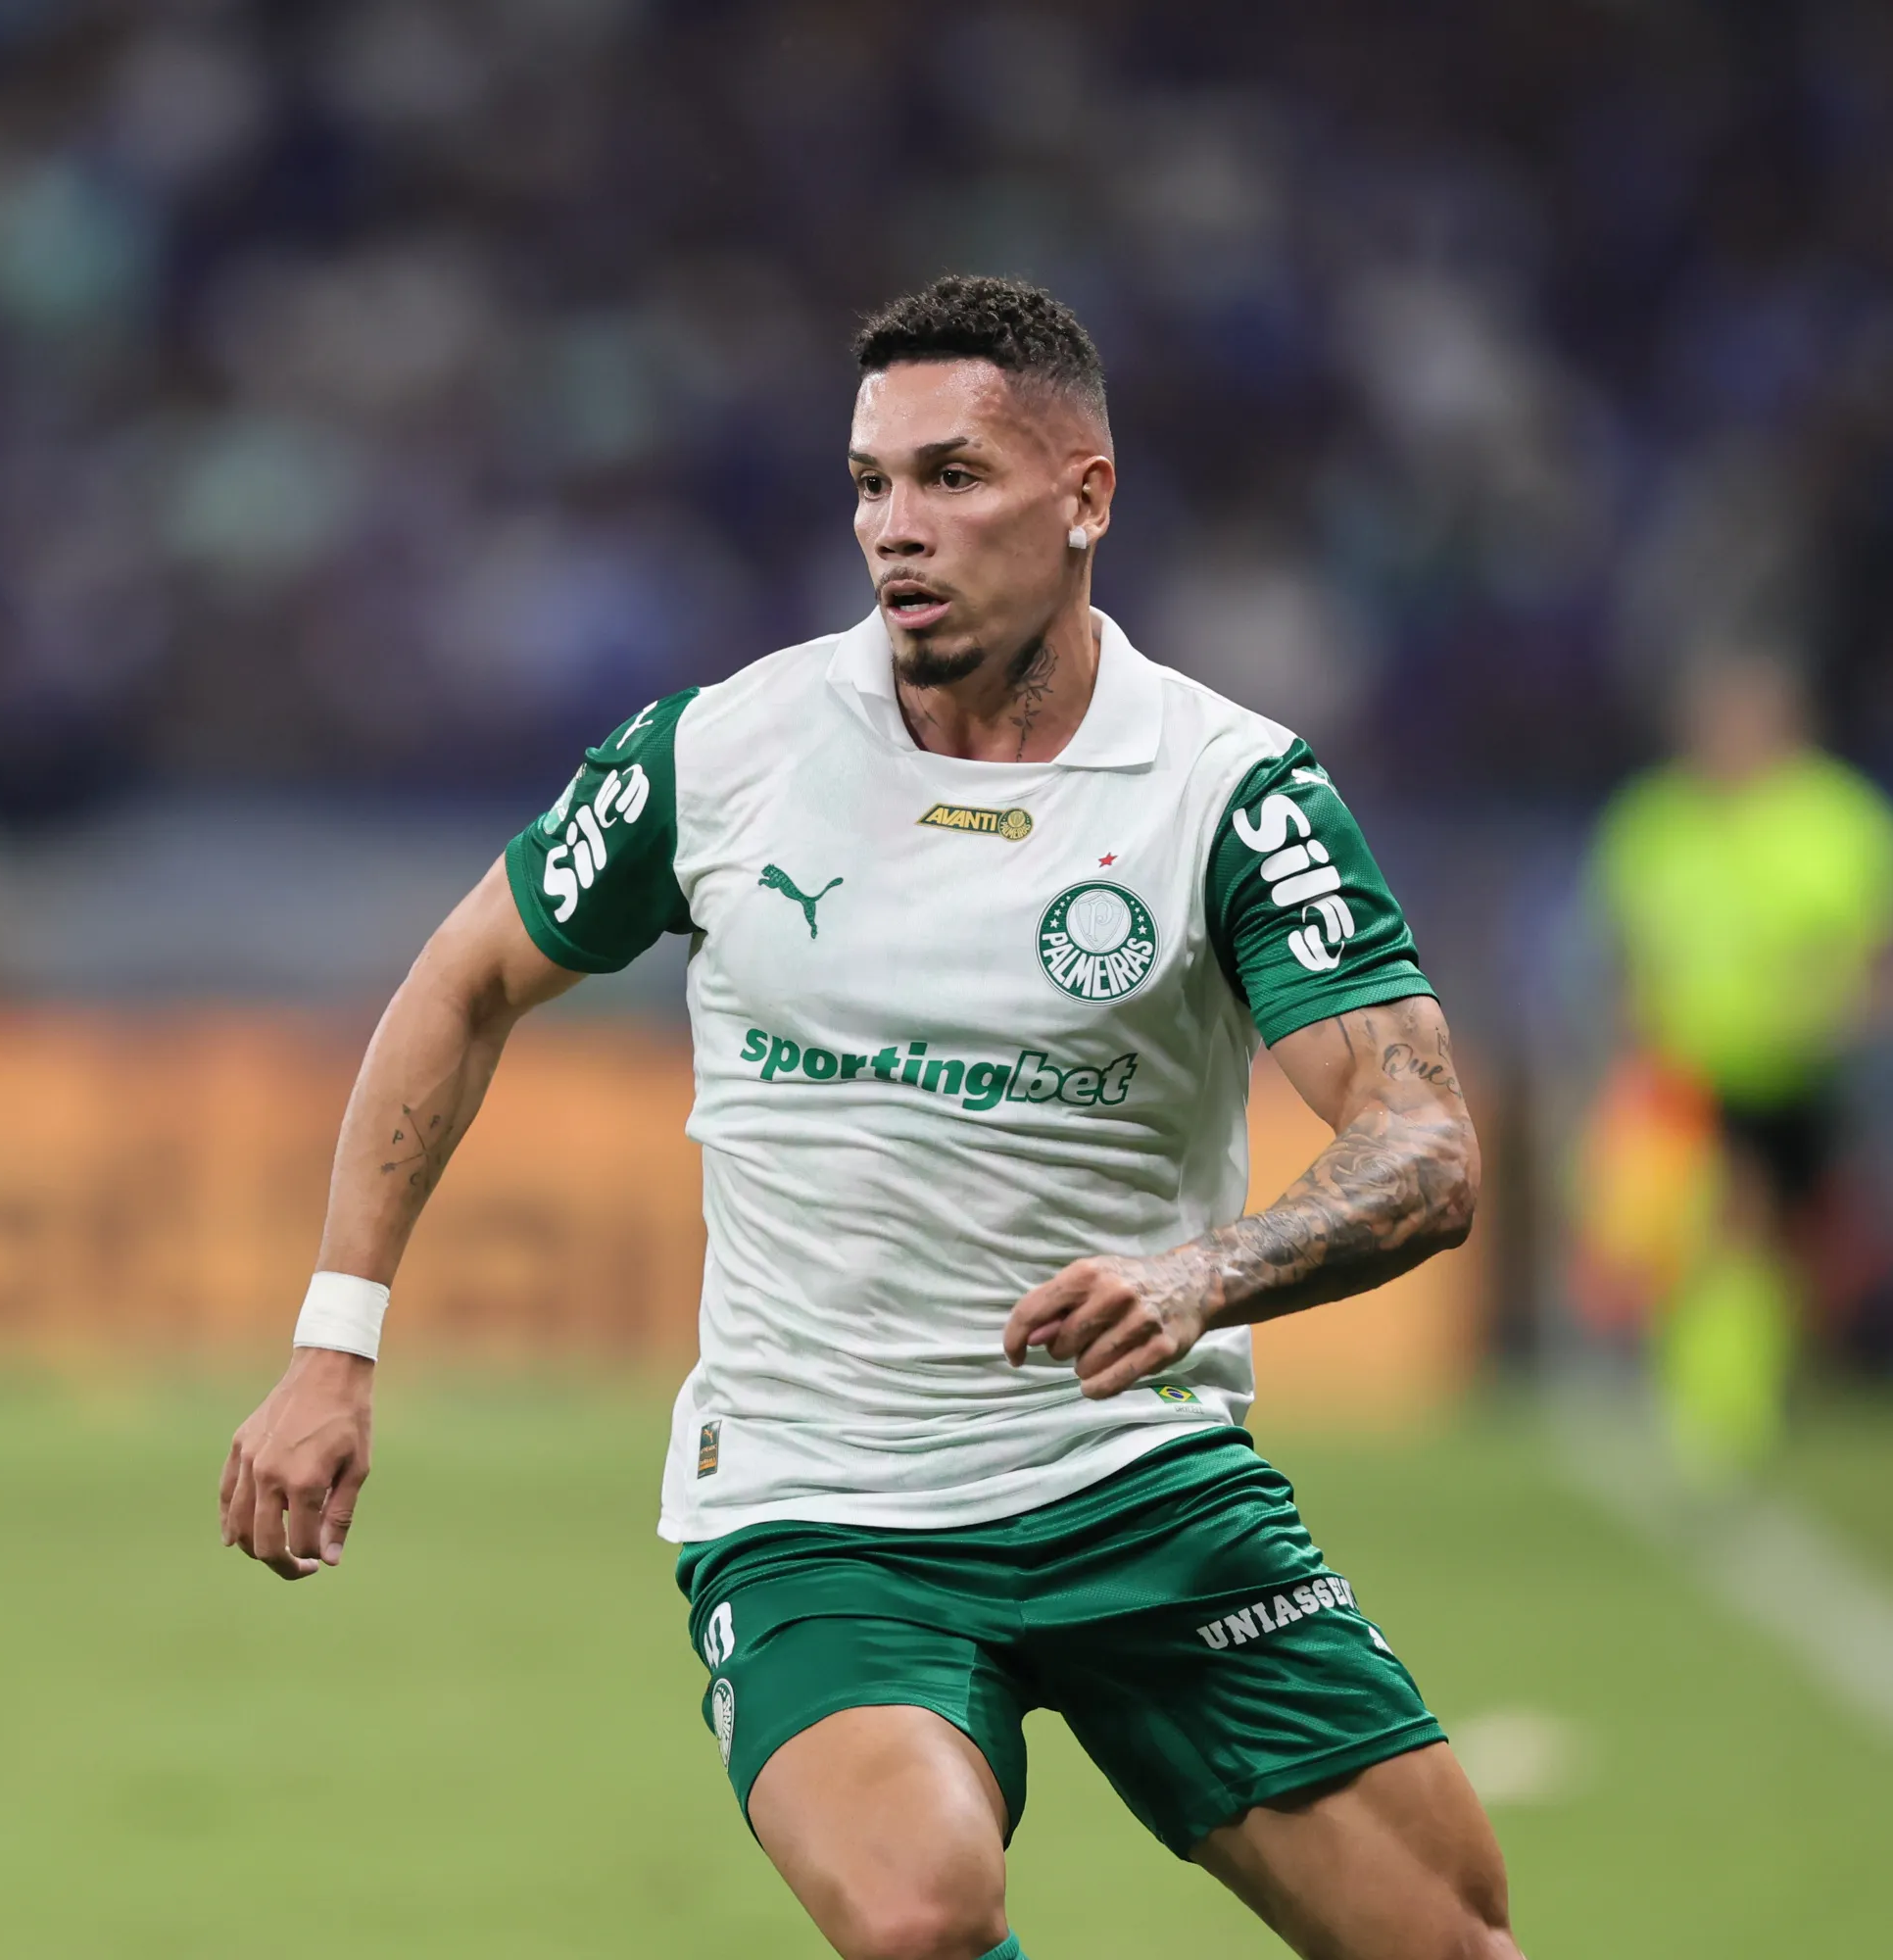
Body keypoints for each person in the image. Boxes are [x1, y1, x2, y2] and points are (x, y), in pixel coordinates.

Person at [220, 276, 1516, 1959]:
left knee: (1448, 1943)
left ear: (1086, 497)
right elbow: (461, 979)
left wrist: (1206, 1274)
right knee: (919, 1913)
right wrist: (336, 1342)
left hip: (1143, 1478)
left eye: (954, 477)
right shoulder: (726, 751)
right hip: (822, 1502)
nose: (896, 529)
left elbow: (1427, 1147)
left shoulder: (1228, 792)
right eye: (870, 483)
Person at [1587, 647, 1893, 1467]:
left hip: (1802, 1072)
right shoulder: (1655, 821)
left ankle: (1765, 1385)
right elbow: (1625, 951)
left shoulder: (1840, 821)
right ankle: (1718, 1405)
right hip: (1689, 1074)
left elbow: (1872, 957)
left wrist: (1842, 1010)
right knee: (1712, 1231)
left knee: (1797, 1250)